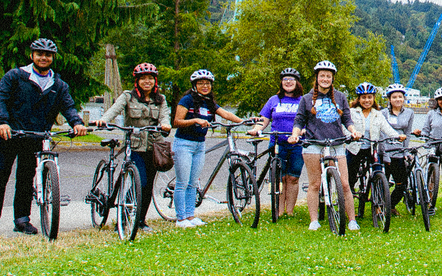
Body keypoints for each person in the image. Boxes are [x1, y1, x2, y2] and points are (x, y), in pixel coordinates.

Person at [0, 39, 88, 237]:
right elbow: (0, 99)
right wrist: (1, 122)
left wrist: (76, 123)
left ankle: (22, 220)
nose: (44, 57)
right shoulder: (16, 76)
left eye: (48, 55)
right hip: (8, 135)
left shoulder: (58, 84)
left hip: (34, 137)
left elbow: (68, 106)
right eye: (39, 54)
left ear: (53, 58)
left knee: (26, 180)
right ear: (32, 55)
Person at [94, 62, 172, 232]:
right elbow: (114, 110)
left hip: (153, 147)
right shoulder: (128, 96)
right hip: (135, 146)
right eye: (143, 78)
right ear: (137, 81)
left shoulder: (161, 99)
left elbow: (164, 116)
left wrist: (165, 124)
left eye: (150, 78)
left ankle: (140, 220)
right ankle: (123, 219)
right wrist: (103, 120)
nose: (147, 82)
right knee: (140, 182)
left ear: (155, 81)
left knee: (148, 186)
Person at [288, 60, 362, 231]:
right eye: (322, 76)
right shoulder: (306, 99)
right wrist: (294, 135)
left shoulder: (341, 97)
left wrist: (353, 131)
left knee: (344, 184)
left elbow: (347, 120)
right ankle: (314, 220)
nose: (325, 79)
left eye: (328, 76)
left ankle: (351, 220)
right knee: (314, 184)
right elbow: (299, 120)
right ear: (317, 78)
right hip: (314, 144)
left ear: (332, 78)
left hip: (336, 143)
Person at [171, 68, 246, 228]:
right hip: (184, 143)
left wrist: (244, 121)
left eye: (207, 83)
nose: (205, 86)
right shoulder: (187, 100)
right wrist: (195, 120)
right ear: (194, 85)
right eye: (201, 83)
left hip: (200, 144)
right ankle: (180, 218)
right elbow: (176, 121)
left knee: (193, 183)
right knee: (182, 182)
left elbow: (225, 114)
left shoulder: (209, 102)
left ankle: (190, 216)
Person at [250, 68, 306, 217]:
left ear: (297, 82)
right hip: (277, 143)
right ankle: (279, 210)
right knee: (279, 177)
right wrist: (256, 129)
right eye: (285, 79)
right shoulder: (273, 100)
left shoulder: (303, 100)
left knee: (293, 177)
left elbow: (308, 121)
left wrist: (304, 130)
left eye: (292, 79)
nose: (288, 82)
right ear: (281, 83)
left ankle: (290, 210)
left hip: (297, 144)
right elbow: (264, 119)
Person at [345, 82, 396, 218]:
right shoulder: (352, 112)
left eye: (369, 97)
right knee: (349, 177)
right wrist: (351, 135)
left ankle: (379, 205)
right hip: (355, 149)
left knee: (378, 173)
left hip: (371, 148)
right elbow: (345, 127)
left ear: (373, 98)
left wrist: (397, 136)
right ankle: (348, 206)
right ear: (358, 99)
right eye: (363, 97)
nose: (366, 100)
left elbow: (386, 128)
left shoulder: (377, 114)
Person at [379, 83, 414, 214]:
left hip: (398, 152)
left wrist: (405, 151)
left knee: (401, 183)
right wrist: (385, 154)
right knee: (383, 182)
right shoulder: (382, 113)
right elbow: (381, 134)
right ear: (389, 99)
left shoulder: (409, 113)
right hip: (385, 150)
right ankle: (379, 206)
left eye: (400, 97)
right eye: (394, 97)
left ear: (404, 98)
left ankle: (391, 204)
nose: (397, 99)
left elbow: (408, 133)